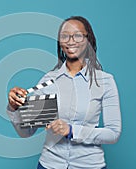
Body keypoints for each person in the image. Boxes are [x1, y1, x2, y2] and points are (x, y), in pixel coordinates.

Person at [7, 16, 121, 169]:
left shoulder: (104, 81)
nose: (71, 40)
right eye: (65, 36)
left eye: (78, 35)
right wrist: (14, 108)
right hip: (50, 164)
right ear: (60, 42)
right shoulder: (49, 80)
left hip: (89, 165)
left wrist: (72, 131)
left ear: (88, 40)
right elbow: (26, 132)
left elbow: (113, 133)